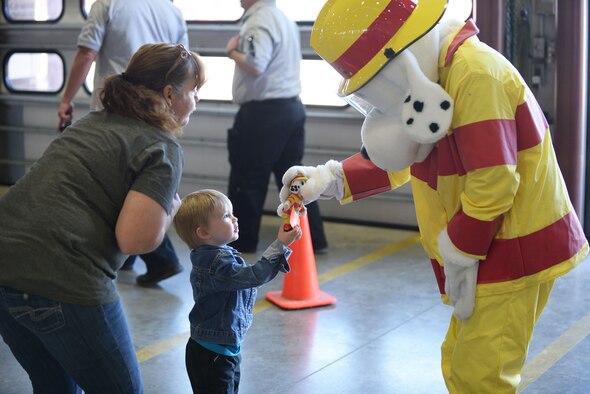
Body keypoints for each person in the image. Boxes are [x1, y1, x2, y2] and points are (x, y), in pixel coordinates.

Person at [278, 1, 589, 393]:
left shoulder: (476, 75)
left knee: (481, 376)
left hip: (511, 248)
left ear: (399, 60)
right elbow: (408, 153)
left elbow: (493, 185)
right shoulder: (440, 76)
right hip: (486, 248)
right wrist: (331, 178)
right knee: (460, 363)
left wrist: (459, 250)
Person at [0, 43, 206, 393]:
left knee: (54, 385)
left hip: (4, 266)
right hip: (65, 278)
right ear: (170, 94)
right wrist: (170, 211)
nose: (197, 100)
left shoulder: (92, 121)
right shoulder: (162, 145)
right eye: (194, 91)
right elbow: (136, 240)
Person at [57, 0, 189, 285]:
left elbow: (87, 52)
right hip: (156, 114)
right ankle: (130, 257)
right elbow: (183, 64)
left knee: (113, 189)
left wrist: (67, 98)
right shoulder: (171, 11)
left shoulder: (108, 3)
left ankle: (161, 259)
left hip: (116, 112)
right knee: (136, 186)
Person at [224, 0, 328, 254]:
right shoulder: (283, 19)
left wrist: (231, 51)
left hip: (263, 114)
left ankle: (243, 240)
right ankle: (313, 239)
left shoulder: (258, 20)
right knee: (295, 179)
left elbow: (256, 64)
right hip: (290, 108)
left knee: (248, 178)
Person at [173, 189, 301, 393]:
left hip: (224, 349)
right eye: (226, 216)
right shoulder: (216, 264)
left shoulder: (218, 255)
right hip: (212, 355)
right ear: (204, 233)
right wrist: (281, 245)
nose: (235, 218)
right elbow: (255, 276)